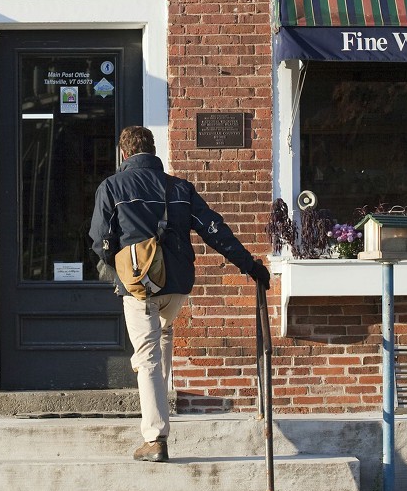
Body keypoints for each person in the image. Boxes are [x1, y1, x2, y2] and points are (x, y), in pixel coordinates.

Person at [89, 125, 272, 463]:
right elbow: (215, 230)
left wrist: (119, 270)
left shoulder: (112, 187)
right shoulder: (180, 188)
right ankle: (156, 394)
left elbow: (100, 240)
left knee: (146, 357)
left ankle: (155, 439)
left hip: (139, 286)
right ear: (153, 151)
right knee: (161, 338)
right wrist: (250, 266)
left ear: (124, 154)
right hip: (175, 288)